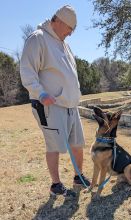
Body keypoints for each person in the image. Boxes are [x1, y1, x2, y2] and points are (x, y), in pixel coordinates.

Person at [20, 5, 90, 197]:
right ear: (58, 21)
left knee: (77, 143)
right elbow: (27, 70)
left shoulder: (64, 44)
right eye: (69, 28)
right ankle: (56, 185)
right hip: (50, 105)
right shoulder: (38, 38)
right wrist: (40, 93)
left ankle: (78, 176)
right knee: (54, 146)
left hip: (70, 104)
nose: (70, 33)